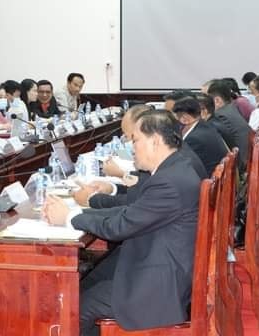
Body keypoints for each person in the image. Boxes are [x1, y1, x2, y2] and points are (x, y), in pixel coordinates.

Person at [44, 110, 201, 336]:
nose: (131, 147)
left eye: (135, 140)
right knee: (85, 283)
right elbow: (130, 211)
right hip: (156, 260)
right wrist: (77, 211)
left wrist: (69, 219)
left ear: (155, 141)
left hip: (159, 285)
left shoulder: (169, 181)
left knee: (75, 308)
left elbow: (119, 227)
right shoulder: (174, 168)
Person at [75, 105, 207, 209]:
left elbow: (134, 205)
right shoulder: (174, 154)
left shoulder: (172, 171)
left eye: (133, 138)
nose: (130, 145)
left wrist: (91, 199)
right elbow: (140, 190)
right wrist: (112, 188)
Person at [172, 97, 228, 176]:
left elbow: (182, 166)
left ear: (185, 118)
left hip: (207, 179)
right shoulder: (206, 126)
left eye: (177, 117)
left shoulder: (193, 139)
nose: (176, 121)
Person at [207, 81, 251, 170]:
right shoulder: (232, 108)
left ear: (217, 100)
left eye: (205, 99)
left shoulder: (220, 116)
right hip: (247, 159)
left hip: (239, 167)